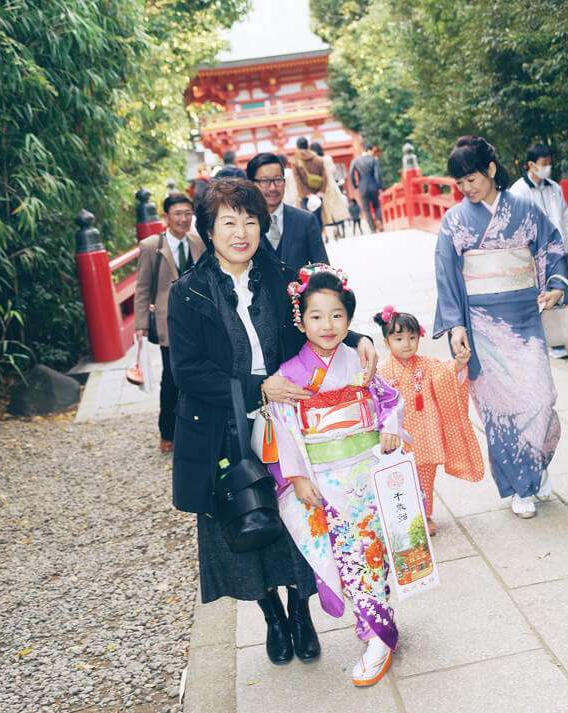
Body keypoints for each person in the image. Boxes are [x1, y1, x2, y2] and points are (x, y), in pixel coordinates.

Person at [166, 178, 380, 667]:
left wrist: (359, 337)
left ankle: (301, 614)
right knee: (245, 522)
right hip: (226, 426)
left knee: (298, 521)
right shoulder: (189, 293)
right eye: (228, 222)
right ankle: (272, 618)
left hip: (291, 422)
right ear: (208, 229)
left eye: (250, 220)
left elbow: (323, 315)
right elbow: (189, 372)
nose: (241, 232)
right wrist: (256, 386)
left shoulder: (285, 278)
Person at [264, 265, 403, 687]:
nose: (328, 325)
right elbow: (285, 426)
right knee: (348, 558)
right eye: (317, 316)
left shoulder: (358, 361)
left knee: (370, 552)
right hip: (325, 480)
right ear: (300, 320)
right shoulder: (290, 373)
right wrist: (297, 477)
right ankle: (376, 626)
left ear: (349, 317)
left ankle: (379, 634)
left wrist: (391, 428)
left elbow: (387, 400)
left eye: (337, 315)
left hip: (365, 470)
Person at [433, 136, 568, 520]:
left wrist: (556, 287)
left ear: (491, 170)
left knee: (540, 397)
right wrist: (455, 325)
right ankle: (521, 486)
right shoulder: (456, 221)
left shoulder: (524, 210)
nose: (467, 189)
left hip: (524, 320)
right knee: (499, 410)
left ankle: (537, 462)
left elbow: (551, 247)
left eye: (472, 179)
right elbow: (446, 274)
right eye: (460, 184)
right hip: (481, 324)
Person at [375, 306, 484, 535]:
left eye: (412, 338)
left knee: (425, 477)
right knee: (400, 477)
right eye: (399, 338)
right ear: (387, 342)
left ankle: (425, 515)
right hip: (400, 435)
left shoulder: (427, 365)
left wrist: (459, 364)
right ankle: (403, 517)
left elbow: (446, 374)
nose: (406, 343)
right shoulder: (383, 371)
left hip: (426, 432)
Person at [134, 192, 205, 453]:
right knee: (172, 378)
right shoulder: (152, 246)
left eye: (188, 214)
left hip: (198, 322)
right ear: (167, 217)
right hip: (169, 323)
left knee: (199, 375)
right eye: (178, 214)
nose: (184, 219)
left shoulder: (199, 242)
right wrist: (141, 323)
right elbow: (142, 288)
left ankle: (196, 427)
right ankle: (168, 432)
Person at [508, 143, 568, 359]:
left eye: (549, 163)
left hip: (556, 250)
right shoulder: (518, 191)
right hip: (533, 252)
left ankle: (557, 341)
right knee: (539, 296)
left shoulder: (554, 188)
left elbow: (565, 217)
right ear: (531, 165)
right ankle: (540, 339)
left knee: (559, 292)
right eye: (544, 164)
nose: (547, 168)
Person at [247, 152, 329, 275]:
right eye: (265, 181)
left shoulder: (306, 221)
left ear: (284, 182)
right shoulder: (243, 226)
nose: (273, 188)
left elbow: (323, 270)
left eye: (278, 179)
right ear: (253, 185)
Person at [311, 141, 349, 240]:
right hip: (332, 186)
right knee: (334, 209)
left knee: (324, 211)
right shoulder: (327, 158)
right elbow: (333, 170)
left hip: (321, 188)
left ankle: (326, 234)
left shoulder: (314, 161)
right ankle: (336, 230)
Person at [349, 143, 384, 232]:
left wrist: (355, 185)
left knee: (367, 209)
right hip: (373, 186)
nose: (373, 153)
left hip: (362, 187)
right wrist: (379, 186)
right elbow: (378, 174)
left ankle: (372, 228)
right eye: (372, 151)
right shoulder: (373, 160)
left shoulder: (356, 161)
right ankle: (379, 221)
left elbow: (351, 174)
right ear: (369, 150)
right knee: (376, 206)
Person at [291, 137, 326, 222]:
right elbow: (324, 176)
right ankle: (319, 235)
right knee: (319, 218)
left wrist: (305, 194)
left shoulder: (295, 161)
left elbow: (297, 180)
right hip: (318, 193)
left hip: (305, 195)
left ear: (297, 146)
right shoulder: (318, 159)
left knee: (308, 219)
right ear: (308, 145)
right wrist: (321, 191)